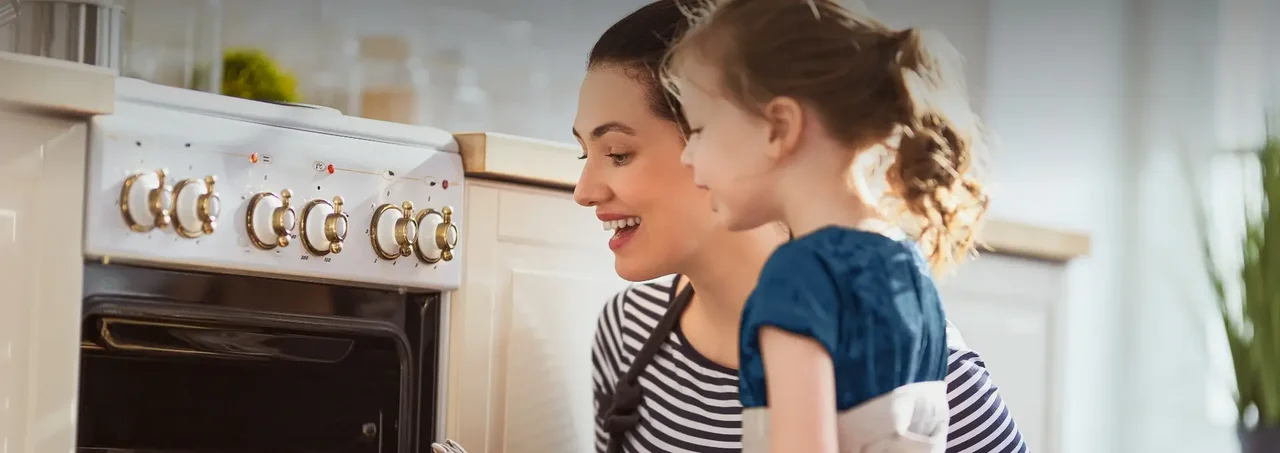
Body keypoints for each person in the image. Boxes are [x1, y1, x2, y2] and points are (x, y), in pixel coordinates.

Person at [575, 1, 1028, 453]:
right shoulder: (906, 270)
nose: (583, 191)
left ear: (777, 128)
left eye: (618, 154)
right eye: (583, 153)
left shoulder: (796, 286)